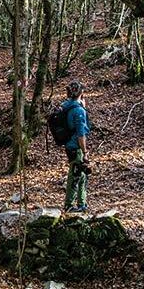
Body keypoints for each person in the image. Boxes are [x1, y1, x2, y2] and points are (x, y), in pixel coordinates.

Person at [63, 80, 90, 212]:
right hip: (76, 147)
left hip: (69, 145)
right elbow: (81, 134)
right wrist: (85, 151)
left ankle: (82, 203)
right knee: (76, 174)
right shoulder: (78, 111)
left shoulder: (66, 105)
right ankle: (69, 205)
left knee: (82, 174)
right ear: (81, 93)